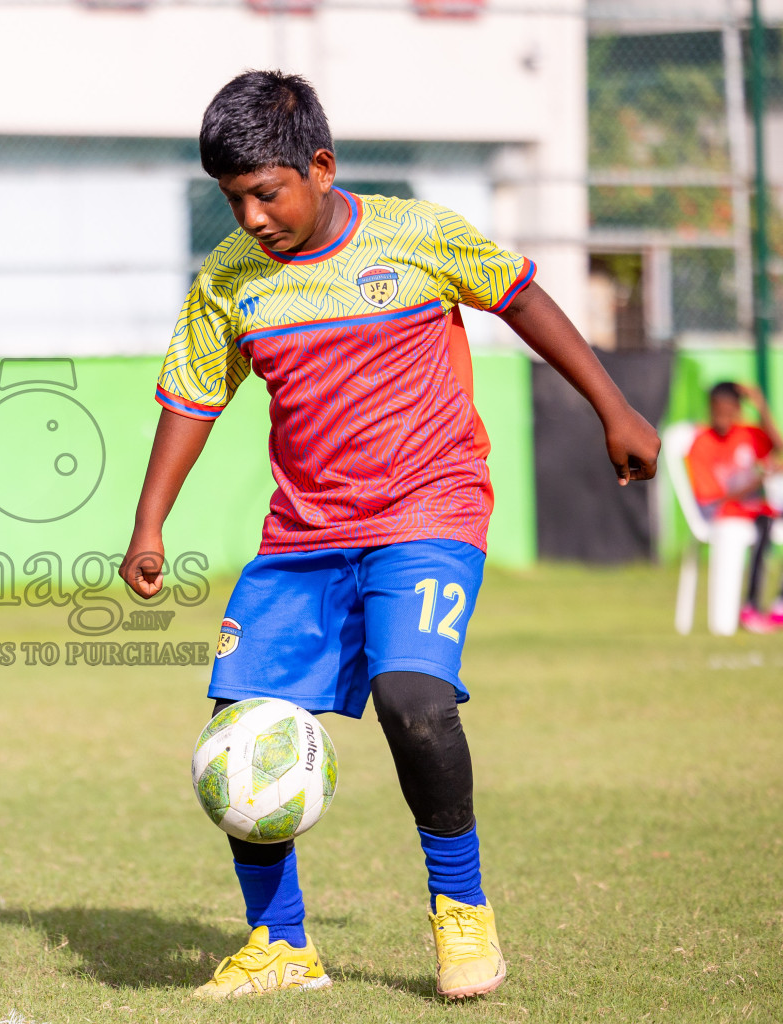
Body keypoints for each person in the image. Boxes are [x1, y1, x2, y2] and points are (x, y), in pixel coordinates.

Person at [120, 71, 661, 1001]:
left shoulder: (419, 234)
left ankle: (462, 915)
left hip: (427, 510)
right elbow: (193, 399)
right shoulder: (229, 281)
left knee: (413, 699)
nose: (250, 215)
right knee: (239, 731)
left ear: (320, 168)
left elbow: (522, 297)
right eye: (231, 197)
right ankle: (281, 946)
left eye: (267, 192)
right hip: (304, 534)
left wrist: (613, 406)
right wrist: (148, 522)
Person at [685, 381, 783, 633]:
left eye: (730, 411)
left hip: (754, 508)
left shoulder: (746, 433)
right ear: (711, 409)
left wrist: (761, 405)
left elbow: (781, 448)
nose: (724, 417)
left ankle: (781, 605)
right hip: (726, 515)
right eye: (719, 411)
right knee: (764, 523)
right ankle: (751, 606)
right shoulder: (702, 443)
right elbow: (712, 500)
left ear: (738, 410)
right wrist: (760, 478)